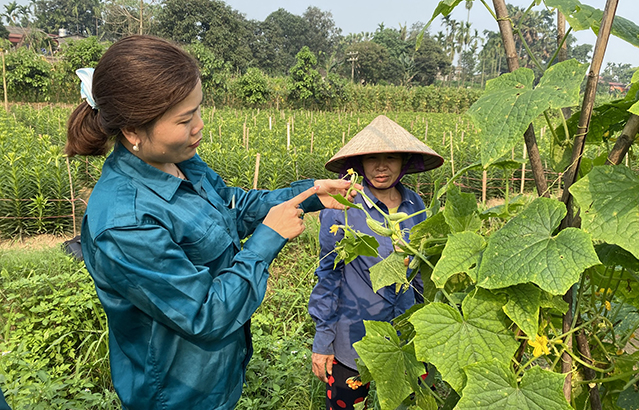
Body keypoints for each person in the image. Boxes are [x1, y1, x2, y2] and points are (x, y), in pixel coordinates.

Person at [65, 35, 359, 410]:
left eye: (199, 110)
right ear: (132, 131)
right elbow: (206, 315)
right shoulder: (126, 224)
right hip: (176, 394)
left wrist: (312, 194)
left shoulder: (180, 162)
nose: (199, 127)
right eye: (185, 119)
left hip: (216, 375)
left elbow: (231, 207)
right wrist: (266, 240)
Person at [308, 115, 443, 410]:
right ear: (360, 163)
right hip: (353, 336)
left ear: (404, 161)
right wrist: (323, 339)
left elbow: (421, 273)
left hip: (406, 334)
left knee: (411, 403)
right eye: (373, 158)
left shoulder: (415, 205)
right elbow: (328, 275)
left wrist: (430, 323)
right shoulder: (343, 206)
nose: (382, 166)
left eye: (391, 157)